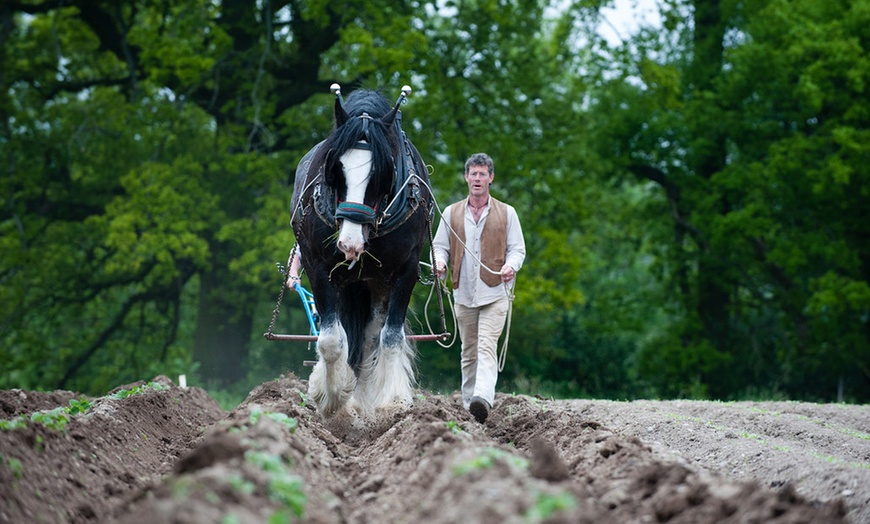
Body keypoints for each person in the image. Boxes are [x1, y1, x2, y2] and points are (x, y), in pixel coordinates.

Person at [432, 153, 526, 423]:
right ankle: (467, 406)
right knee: (468, 352)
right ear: (466, 177)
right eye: (473, 173)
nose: (477, 178)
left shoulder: (507, 213)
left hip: (496, 293)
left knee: (486, 347)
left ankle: (482, 398)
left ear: (491, 178)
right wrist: (439, 263)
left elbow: (517, 249)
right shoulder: (451, 212)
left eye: (482, 174)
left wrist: (511, 266)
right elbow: (440, 246)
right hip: (463, 293)